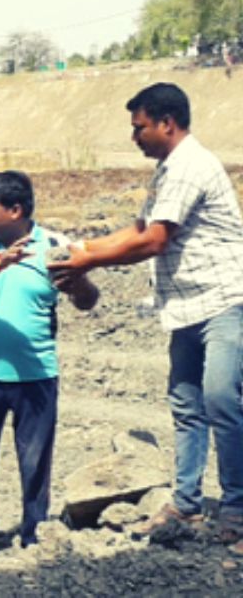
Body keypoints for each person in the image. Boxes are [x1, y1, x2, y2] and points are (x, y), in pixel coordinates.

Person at [50, 83, 243, 552]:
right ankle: (186, 501)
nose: (133, 136)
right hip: (185, 306)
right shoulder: (166, 171)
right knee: (186, 405)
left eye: (138, 127)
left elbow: (154, 240)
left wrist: (89, 263)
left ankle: (236, 510)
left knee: (221, 399)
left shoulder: (190, 166)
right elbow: (138, 227)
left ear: (166, 123)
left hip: (224, 299)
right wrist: (87, 247)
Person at [0, 171, 99, 547]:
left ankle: (36, 536)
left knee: (35, 463)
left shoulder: (55, 243)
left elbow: (87, 301)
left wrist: (77, 282)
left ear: (15, 209)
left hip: (37, 375)